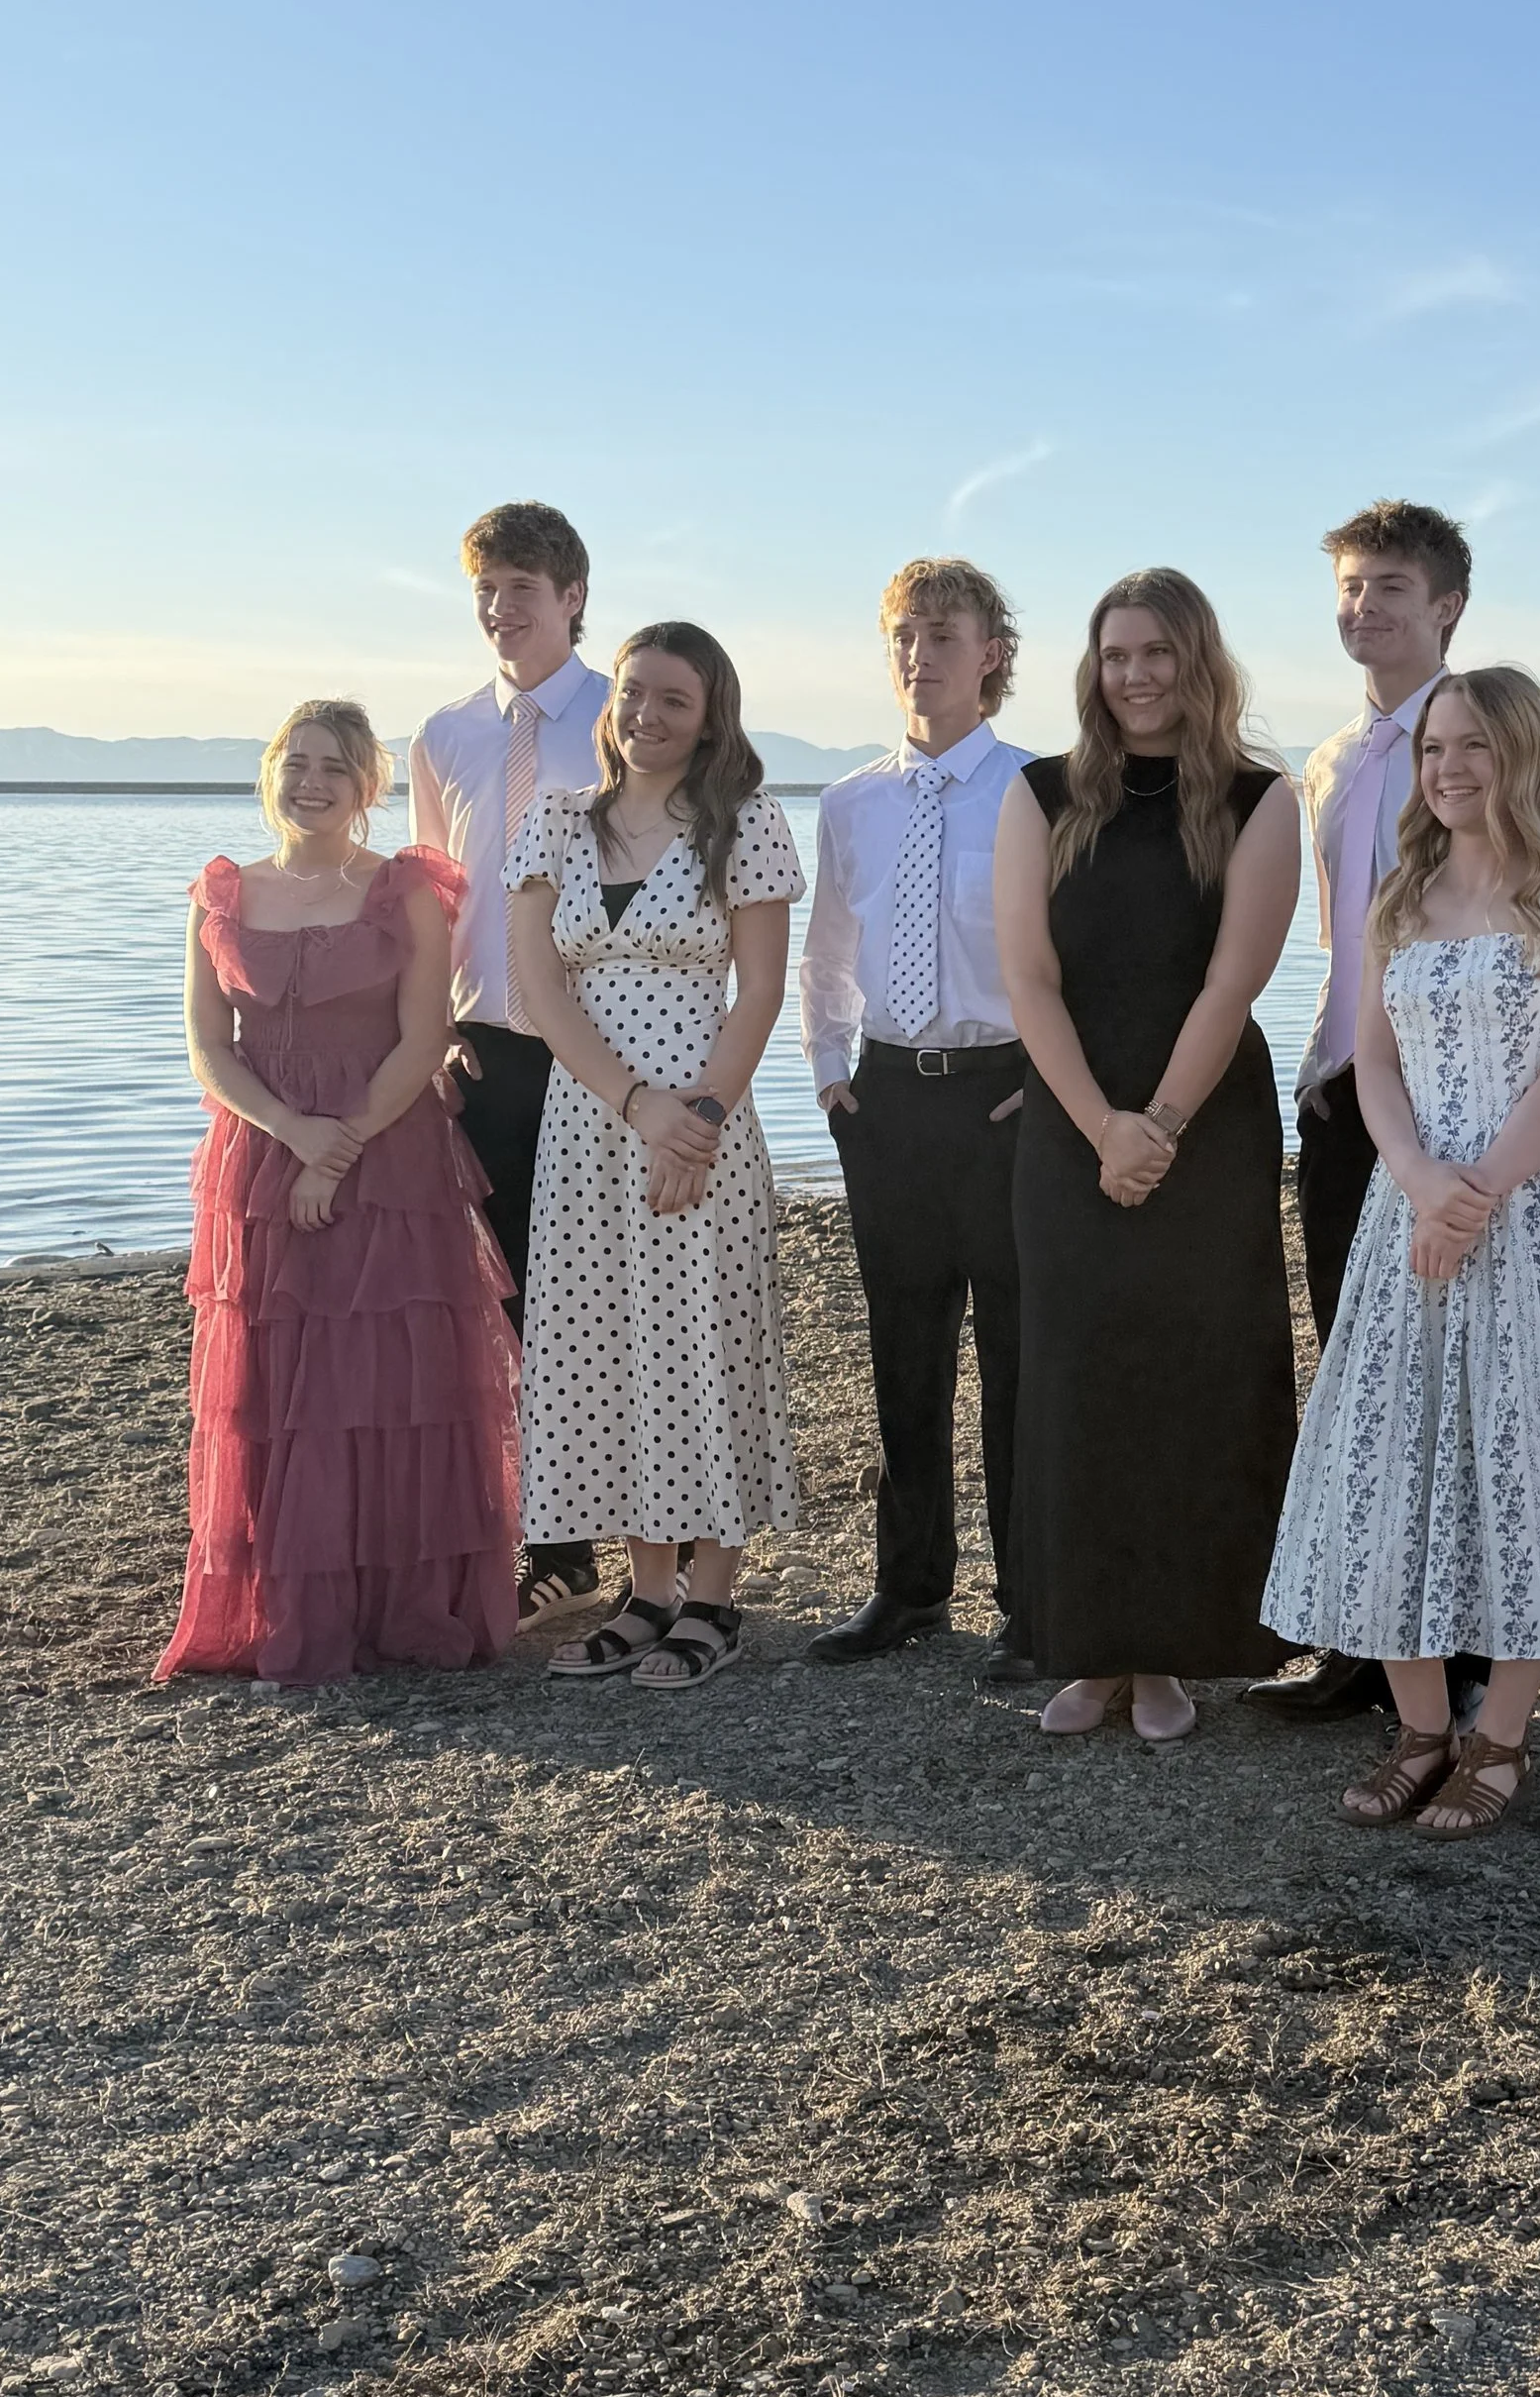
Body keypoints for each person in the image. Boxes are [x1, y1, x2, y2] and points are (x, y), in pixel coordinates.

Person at [1264, 668, 1540, 1833]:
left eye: (1474, 745)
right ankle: (1418, 1728)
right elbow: (1370, 1061)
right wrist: (1425, 1185)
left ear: (1525, 753)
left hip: (1537, 1215)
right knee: (1388, 1455)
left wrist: (1481, 1192)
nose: (1449, 768)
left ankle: (1501, 1740)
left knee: (1526, 1461)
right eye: (1433, 749)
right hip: (1407, 1214)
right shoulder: (1400, 893)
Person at [992, 568, 1300, 1738]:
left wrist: (1158, 1127)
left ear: (1198, 662)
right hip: (1072, 1120)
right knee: (1074, 1375)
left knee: (1193, 1378)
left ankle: (1172, 1651)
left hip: (1206, 1123)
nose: (1135, 676)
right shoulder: (1038, 793)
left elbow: (1236, 979)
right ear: (1092, 666)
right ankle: (1087, 1645)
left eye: (1157, 654)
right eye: (1116, 655)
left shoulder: (1260, 801)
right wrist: (1099, 1126)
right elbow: (1027, 976)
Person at [158, 700, 521, 1685]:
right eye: (296, 762)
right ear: (269, 772)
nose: (311, 781)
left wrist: (341, 1145)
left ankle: (399, 1603)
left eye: (336, 767)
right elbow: (207, 1048)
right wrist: (295, 1137)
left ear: (370, 789)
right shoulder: (222, 893)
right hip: (260, 1151)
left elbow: (422, 1035)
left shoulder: (402, 890)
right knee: (279, 1384)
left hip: (389, 1152)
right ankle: (292, 1600)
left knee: (391, 1381)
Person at [506, 622, 804, 1690]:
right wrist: (634, 1104)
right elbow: (540, 991)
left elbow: (762, 989)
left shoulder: (748, 823)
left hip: (704, 1124)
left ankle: (714, 1598)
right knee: (604, 1353)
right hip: (589, 1126)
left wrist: (702, 1117)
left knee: (702, 1343)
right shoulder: (553, 823)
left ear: (710, 714)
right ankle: (646, 1591)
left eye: (673, 699)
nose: (646, 714)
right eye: (633, 693)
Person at [1245, 498, 1487, 1731]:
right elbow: (1332, 942)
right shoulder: (1329, 762)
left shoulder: (1485, 741)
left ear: (1444, 605)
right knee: (1359, 1373)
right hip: (1342, 1096)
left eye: (1388, 586)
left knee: (1463, 1379)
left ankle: (1474, 1656)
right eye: (1348, 586)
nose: (1363, 608)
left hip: (1460, 1102)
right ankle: (1365, 1644)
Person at [799, 558, 1035, 1676]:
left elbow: (1075, 954)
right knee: (903, 1350)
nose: (918, 653)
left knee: (1021, 1357)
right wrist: (829, 1069)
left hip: (1006, 1098)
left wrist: (1050, 1077)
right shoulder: (850, 801)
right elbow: (828, 947)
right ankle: (908, 1589)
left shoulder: (1043, 789)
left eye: (943, 633)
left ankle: (1032, 1602)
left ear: (991, 651)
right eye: (903, 633)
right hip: (888, 1097)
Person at [409, 498, 609, 1622]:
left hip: (601, 1048)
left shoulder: (623, 721)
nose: (499, 611)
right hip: (484, 1050)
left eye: (521, 591)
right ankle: (556, 1545)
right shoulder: (443, 736)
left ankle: (621, 1535)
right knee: (511, 1299)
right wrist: (431, 1032)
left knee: (598, 1294)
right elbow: (437, 899)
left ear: (572, 597)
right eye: (486, 591)